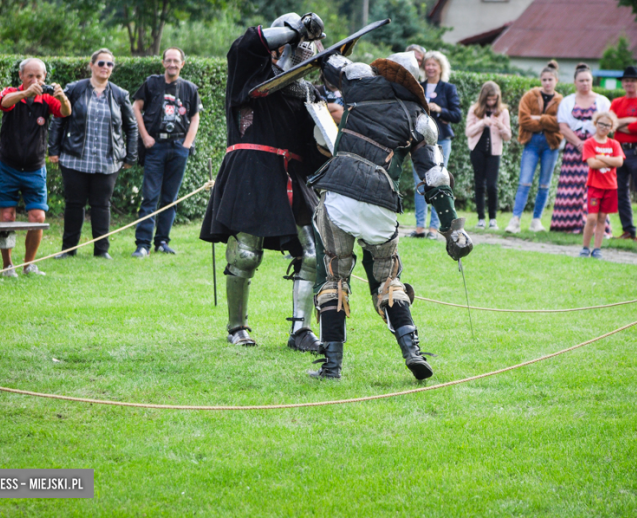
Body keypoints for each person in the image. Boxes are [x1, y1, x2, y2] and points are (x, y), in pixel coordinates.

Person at [307, 51, 473, 380]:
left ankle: (331, 367)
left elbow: (327, 62)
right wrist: (452, 230)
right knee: (387, 282)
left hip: (339, 193)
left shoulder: (356, 84)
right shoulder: (419, 118)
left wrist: (323, 45)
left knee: (335, 278)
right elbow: (436, 178)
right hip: (381, 203)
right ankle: (412, 351)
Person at [199, 13, 328, 351]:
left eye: (308, 47)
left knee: (313, 251)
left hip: (292, 173)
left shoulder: (309, 91)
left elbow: (313, 149)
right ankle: (236, 327)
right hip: (252, 169)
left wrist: (325, 137)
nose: (305, 52)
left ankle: (301, 330)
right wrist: (297, 29)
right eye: (299, 45)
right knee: (245, 253)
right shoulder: (250, 72)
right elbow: (246, 43)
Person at [49, 49, 138, 260]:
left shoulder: (119, 94)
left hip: (108, 161)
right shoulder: (75, 89)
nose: (105, 67)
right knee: (74, 204)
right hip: (74, 158)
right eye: (101, 63)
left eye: (109, 64)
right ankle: (68, 250)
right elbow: (59, 118)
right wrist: (53, 150)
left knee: (101, 205)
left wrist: (130, 157)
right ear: (91, 65)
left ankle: (102, 251)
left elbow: (131, 127)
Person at [0, 57, 71, 276]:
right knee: (7, 215)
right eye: (30, 76)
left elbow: (65, 112)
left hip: (35, 168)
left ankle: (28, 265)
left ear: (45, 77)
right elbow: (3, 102)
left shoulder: (47, 98)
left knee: (38, 216)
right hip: (8, 165)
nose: (35, 80)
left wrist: (62, 97)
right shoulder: (11, 92)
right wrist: (25, 93)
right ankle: (8, 266)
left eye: (39, 76)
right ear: (21, 76)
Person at [131, 47, 202, 257]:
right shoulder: (152, 83)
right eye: (168, 60)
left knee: (170, 198)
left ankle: (162, 241)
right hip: (155, 147)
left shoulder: (189, 88)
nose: (172, 64)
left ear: (182, 64)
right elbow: (136, 106)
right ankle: (143, 244)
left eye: (176, 61)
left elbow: (195, 116)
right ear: (163, 63)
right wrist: (145, 137)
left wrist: (187, 144)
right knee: (150, 197)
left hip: (179, 148)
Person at [551, 63, 612, 234]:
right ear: (575, 82)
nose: (585, 83)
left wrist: (591, 144)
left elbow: (607, 125)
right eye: (581, 80)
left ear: (592, 81)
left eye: (588, 80)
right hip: (573, 149)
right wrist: (579, 143)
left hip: (596, 149)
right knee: (571, 186)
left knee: (595, 188)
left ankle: (595, 226)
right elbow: (563, 127)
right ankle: (567, 225)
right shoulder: (567, 101)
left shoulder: (602, 101)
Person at [506, 60, 563, 234]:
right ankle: (515, 219)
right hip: (531, 142)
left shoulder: (561, 100)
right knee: (524, 182)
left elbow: (560, 123)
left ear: (556, 81)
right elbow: (524, 120)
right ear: (540, 80)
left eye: (550, 79)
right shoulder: (529, 96)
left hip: (550, 144)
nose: (547, 82)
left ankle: (536, 220)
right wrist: (546, 122)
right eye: (544, 79)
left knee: (544, 184)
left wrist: (539, 118)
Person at [409, 50, 461, 239]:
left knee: (438, 181)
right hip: (420, 142)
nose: (430, 68)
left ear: (440, 68)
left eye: (434, 65)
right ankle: (419, 227)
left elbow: (457, 115)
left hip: (442, 140)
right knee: (420, 182)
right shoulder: (418, 87)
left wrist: (439, 110)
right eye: (428, 64)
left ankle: (434, 228)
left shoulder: (448, 88)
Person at [610, 66, 637, 243]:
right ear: (622, 83)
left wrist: (619, 123)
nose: (629, 83)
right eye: (626, 80)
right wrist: (629, 120)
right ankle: (628, 229)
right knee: (621, 191)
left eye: (633, 80)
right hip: (620, 149)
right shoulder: (616, 102)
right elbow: (608, 124)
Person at [465, 81, 511, 230]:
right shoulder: (475, 110)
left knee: (492, 185)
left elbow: (508, 136)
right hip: (477, 150)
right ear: (483, 98)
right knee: (479, 185)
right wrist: (482, 123)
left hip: (494, 152)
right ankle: (480, 218)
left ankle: (492, 219)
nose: (491, 102)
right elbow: (468, 132)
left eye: (494, 99)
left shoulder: (503, 112)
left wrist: (501, 126)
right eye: (489, 99)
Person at [579, 112, 624, 259]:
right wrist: (609, 159)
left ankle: (597, 249)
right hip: (594, 186)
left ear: (612, 128)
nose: (603, 127)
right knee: (591, 218)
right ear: (595, 124)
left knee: (602, 217)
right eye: (601, 124)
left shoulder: (614, 144)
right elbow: (592, 163)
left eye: (607, 125)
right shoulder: (589, 143)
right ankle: (585, 248)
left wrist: (599, 157)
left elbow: (620, 162)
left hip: (610, 186)